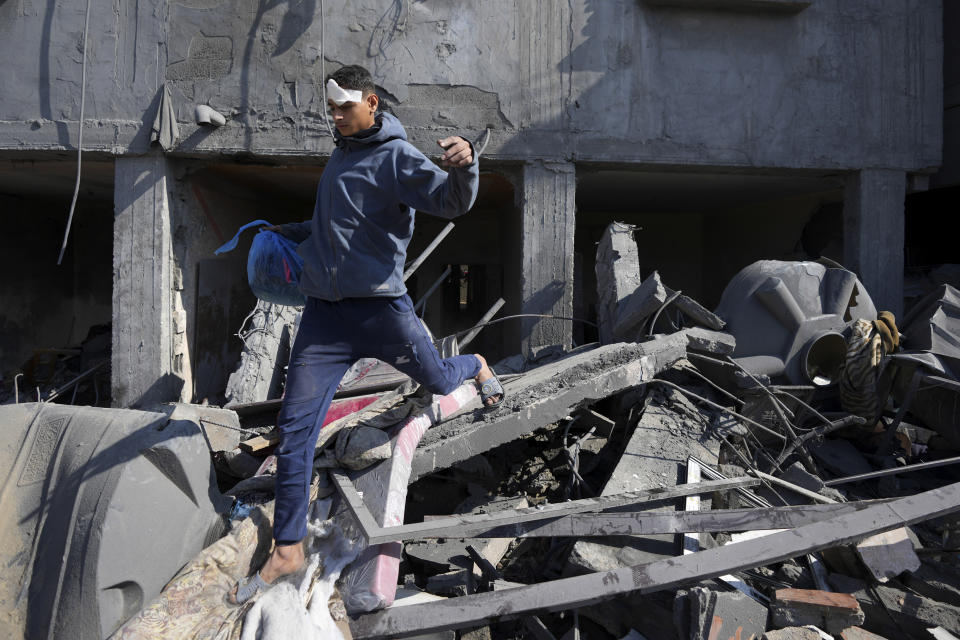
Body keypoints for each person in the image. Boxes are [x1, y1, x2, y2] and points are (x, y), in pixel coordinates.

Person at [230, 64, 503, 604]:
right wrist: (289, 233)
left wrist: (467, 163)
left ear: (372, 103)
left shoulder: (397, 157)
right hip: (325, 318)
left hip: (382, 309)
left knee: (440, 378)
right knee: (295, 427)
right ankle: (288, 548)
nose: (335, 117)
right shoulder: (339, 156)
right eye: (330, 109)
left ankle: (473, 364)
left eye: (344, 107)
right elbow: (332, 227)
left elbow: (451, 201)